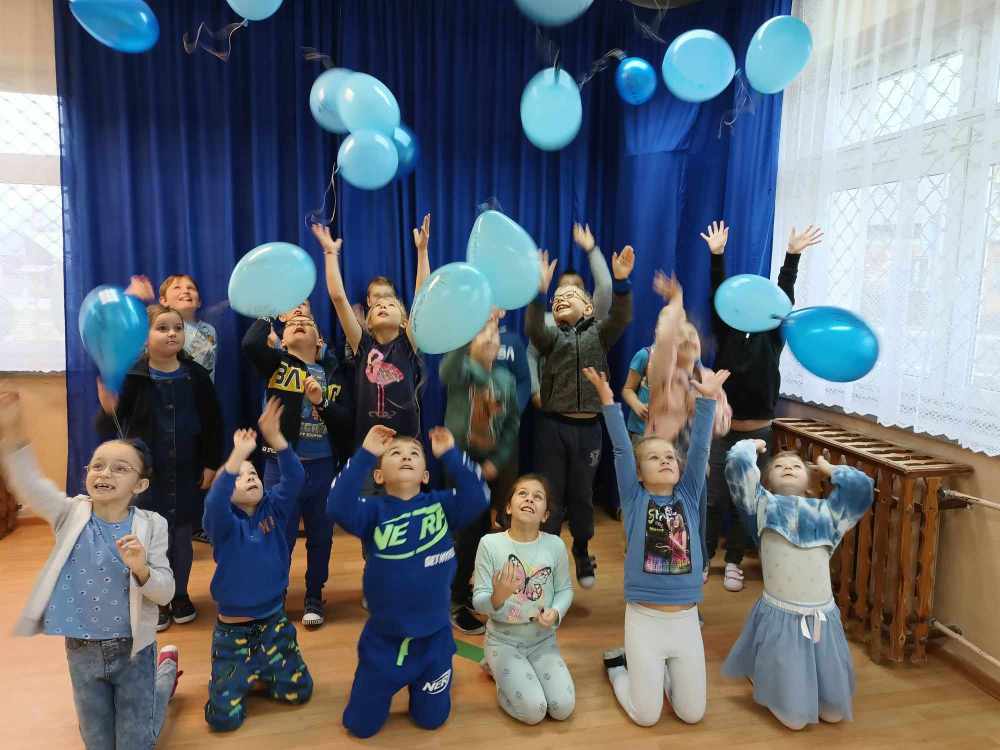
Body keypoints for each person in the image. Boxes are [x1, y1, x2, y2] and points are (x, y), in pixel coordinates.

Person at [1, 391, 180, 749]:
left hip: (134, 652)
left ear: (140, 485)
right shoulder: (70, 514)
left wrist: (142, 569)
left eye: (120, 468)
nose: (105, 473)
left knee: (135, 743)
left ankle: (164, 675)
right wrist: (13, 435)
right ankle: (160, 683)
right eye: (97, 465)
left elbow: (166, 592)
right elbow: (30, 484)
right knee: (98, 743)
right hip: (81, 651)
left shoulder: (152, 525)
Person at [326, 425, 489, 738]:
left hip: (434, 641)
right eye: (395, 453)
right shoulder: (372, 512)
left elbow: (478, 495)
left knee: (431, 720)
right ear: (378, 476)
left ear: (425, 475)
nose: (406, 457)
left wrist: (450, 455)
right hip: (384, 643)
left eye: (414, 453)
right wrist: (366, 453)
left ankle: (425, 685)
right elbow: (336, 505)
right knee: (360, 726)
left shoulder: (442, 506)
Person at [588, 364, 728, 728]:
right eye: (653, 457)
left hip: (685, 621)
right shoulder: (635, 499)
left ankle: (660, 673)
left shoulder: (688, 494)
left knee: (692, 714)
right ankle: (618, 669)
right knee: (646, 716)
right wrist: (608, 403)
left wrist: (708, 400)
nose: (665, 460)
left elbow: (700, 449)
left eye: (669, 457)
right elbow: (622, 449)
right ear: (638, 473)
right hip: (644, 620)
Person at [704, 220, 823, 592]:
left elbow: (784, 298)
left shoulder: (772, 337)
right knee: (713, 499)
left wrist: (792, 255)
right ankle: (705, 558)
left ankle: (734, 560)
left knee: (746, 500)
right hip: (722, 431)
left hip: (757, 432)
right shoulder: (725, 329)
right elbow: (716, 294)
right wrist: (717, 256)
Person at [722, 441, 873, 730]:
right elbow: (737, 465)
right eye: (779, 466)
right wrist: (752, 445)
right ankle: (776, 686)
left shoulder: (828, 512)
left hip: (821, 616)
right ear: (767, 480)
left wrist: (829, 469)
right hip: (782, 615)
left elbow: (861, 488)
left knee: (834, 713)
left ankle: (813, 690)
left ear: (809, 480)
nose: (788, 468)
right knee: (794, 720)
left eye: (795, 466)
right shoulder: (762, 504)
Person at [96, 303, 222, 630]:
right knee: (150, 538)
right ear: (145, 336)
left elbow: (213, 423)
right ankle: (157, 599)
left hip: (186, 471)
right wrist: (108, 410)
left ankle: (179, 595)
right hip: (147, 476)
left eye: (177, 328)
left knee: (181, 538)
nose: (172, 333)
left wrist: (211, 463)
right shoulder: (134, 378)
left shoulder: (196, 376)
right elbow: (112, 430)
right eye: (162, 328)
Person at [202, 399, 315, 731]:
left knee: (300, 693)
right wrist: (236, 458)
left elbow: (295, 477)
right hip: (233, 633)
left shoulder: (274, 509)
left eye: (253, 473)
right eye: (240, 476)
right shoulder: (222, 524)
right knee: (223, 720)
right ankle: (240, 673)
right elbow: (215, 500)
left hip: (274, 622)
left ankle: (261, 670)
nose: (249, 477)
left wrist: (275, 438)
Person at [526, 245, 634, 588]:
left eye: (569, 296)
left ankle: (582, 550)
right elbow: (533, 328)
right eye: (556, 299)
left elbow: (621, 316)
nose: (560, 299)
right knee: (551, 495)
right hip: (552, 427)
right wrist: (539, 293)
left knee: (582, 495)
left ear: (588, 307)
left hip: (589, 429)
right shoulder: (550, 337)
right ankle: (546, 559)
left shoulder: (599, 333)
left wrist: (621, 283)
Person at [242, 311, 352, 627]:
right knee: (279, 534)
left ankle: (314, 595)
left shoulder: (333, 374)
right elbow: (251, 344)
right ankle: (275, 595)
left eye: (307, 322)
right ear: (282, 339)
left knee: (321, 535)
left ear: (320, 341)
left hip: (322, 467)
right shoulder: (276, 364)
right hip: (280, 467)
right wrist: (270, 314)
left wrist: (322, 403)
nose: (300, 322)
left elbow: (345, 422)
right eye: (291, 324)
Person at [317, 217, 429, 459]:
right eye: (377, 305)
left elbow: (423, 297)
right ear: (368, 321)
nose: (383, 305)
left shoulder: (408, 343)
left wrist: (422, 251)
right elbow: (338, 298)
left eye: (390, 304)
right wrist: (330, 253)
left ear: (404, 321)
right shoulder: (363, 345)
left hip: (405, 448)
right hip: (368, 448)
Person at [440, 316, 521, 635]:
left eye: (494, 334)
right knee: (464, 531)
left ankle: (468, 588)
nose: (489, 338)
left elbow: (512, 424)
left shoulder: (505, 379)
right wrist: (468, 327)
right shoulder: (461, 371)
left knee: (484, 531)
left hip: (489, 461)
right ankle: (454, 599)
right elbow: (447, 370)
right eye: (481, 334)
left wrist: (498, 461)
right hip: (459, 461)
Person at [473, 474, 575, 724]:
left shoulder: (555, 545)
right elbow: (479, 601)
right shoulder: (489, 543)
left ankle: (511, 673)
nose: (529, 499)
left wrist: (556, 612)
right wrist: (498, 595)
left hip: (543, 641)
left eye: (538, 497)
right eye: (522, 494)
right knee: (534, 712)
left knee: (562, 708)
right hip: (503, 641)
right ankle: (496, 671)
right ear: (508, 507)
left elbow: (565, 590)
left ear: (545, 515)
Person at [526, 223, 613, 408]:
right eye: (565, 287)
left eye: (576, 287)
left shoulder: (594, 319)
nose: (570, 290)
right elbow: (531, 355)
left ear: (587, 298)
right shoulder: (546, 321)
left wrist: (591, 249)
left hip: (588, 410)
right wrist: (535, 392)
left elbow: (606, 287)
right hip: (551, 407)